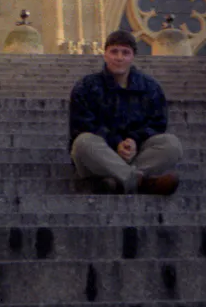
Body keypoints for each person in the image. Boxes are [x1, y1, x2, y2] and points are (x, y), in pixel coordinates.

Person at [68, 29, 182, 194]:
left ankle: (116, 180)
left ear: (132, 57)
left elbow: (158, 124)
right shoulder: (86, 87)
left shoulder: (150, 88)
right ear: (105, 54)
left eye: (125, 53)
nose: (119, 57)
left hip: (137, 155)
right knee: (83, 143)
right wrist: (116, 143)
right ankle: (140, 182)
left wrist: (134, 142)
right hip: (101, 155)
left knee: (172, 145)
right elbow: (82, 126)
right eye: (114, 51)